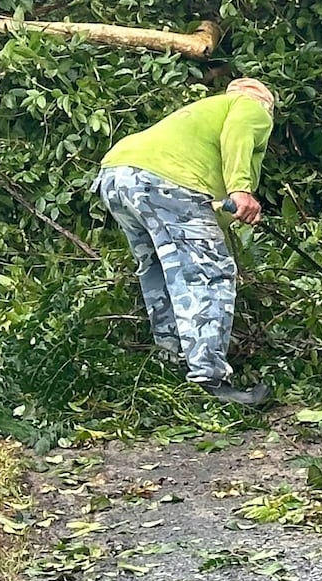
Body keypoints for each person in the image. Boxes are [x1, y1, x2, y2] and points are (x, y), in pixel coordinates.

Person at [95, 78, 278, 407]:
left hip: (117, 175)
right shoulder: (250, 107)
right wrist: (241, 189)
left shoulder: (202, 116)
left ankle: (171, 365)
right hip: (167, 180)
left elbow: (210, 210)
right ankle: (209, 379)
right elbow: (238, 132)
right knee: (209, 272)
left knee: (159, 270)